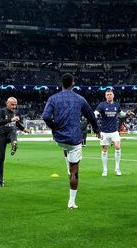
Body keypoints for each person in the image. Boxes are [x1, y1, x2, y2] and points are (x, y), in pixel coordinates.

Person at [42, 73, 100, 209]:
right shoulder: (80, 99)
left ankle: (67, 160)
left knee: (65, 147)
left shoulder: (53, 98)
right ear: (73, 83)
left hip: (59, 138)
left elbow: (45, 116)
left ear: (61, 84)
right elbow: (91, 116)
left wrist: (54, 127)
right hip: (74, 139)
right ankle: (71, 202)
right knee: (75, 171)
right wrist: (97, 130)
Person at [95, 88, 129, 177]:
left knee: (118, 146)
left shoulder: (116, 105)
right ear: (105, 96)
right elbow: (96, 112)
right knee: (104, 149)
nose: (109, 96)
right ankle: (105, 169)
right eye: (107, 95)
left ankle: (117, 168)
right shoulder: (102, 105)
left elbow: (121, 113)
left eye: (110, 94)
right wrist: (95, 114)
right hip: (104, 131)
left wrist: (127, 114)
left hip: (114, 131)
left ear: (113, 95)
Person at [0, 97, 28, 188]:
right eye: (12, 104)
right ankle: (0, 180)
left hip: (10, 134)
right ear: (7, 103)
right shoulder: (1, 111)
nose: (14, 106)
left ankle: (14, 143)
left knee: (13, 131)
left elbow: (16, 123)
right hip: (1, 136)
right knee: (1, 158)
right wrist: (11, 120)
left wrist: (24, 129)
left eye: (15, 104)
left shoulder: (14, 113)